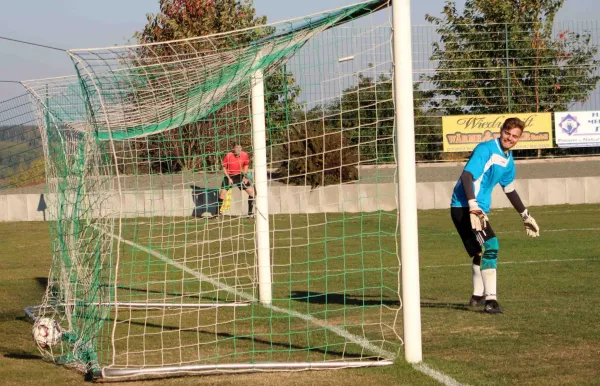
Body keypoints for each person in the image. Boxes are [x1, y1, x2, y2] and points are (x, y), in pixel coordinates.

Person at [450, 117, 540, 314]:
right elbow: (467, 176)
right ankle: (491, 301)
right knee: (492, 244)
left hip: (473, 208)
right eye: (507, 133)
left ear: (519, 138)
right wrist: (473, 206)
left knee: (478, 252)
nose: (510, 138)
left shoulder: (508, 161)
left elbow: (509, 188)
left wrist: (525, 215)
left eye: (514, 136)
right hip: (464, 206)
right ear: (501, 131)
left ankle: (476, 296)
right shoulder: (486, 149)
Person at [219, 143, 255, 217]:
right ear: (233, 149)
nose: (238, 149)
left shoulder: (244, 155)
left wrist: (245, 177)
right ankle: (217, 213)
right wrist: (228, 178)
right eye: (236, 148)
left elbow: (246, 165)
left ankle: (250, 213)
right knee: (222, 194)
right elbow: (224, 168)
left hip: (239, 176)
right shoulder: (228, 155)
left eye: (240, 148)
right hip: (230, 176)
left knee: (252, 192)